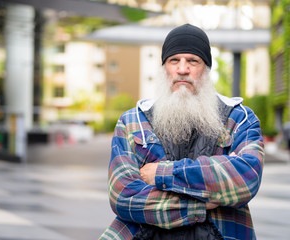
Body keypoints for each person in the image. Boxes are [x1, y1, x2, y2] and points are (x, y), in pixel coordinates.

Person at [99, 24, 264, 240]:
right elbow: (124, 196)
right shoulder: (132, 121)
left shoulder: (239, 117)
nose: (182, 69)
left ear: (206, 69)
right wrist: (202, 204)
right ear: (164, 67)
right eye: (174, 60)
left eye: (193, 61)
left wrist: (161, 173)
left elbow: (246, 178)